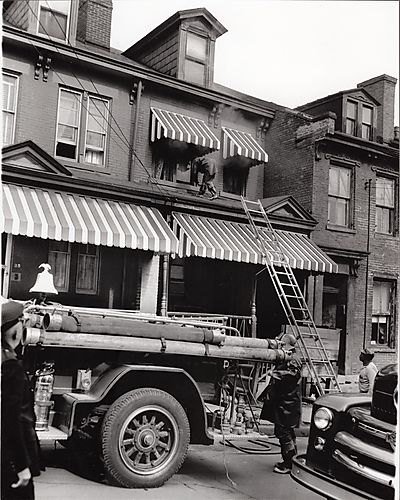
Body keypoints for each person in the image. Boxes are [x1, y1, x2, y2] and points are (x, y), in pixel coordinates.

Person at [1, 300, 41, 500]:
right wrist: (21, 466)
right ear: (15, 330)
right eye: (23, 323)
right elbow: (11, 420)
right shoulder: (11, 367)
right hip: (10, 461)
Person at [259, 333, 302, 474]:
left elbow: (293, 375)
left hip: (287, 404)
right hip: (284, 403)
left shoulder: (293, 359)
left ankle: (289, 463)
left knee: (284, 433)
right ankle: (291, 461)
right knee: (286, 432)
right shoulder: (289, 357)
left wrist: (276, 374)